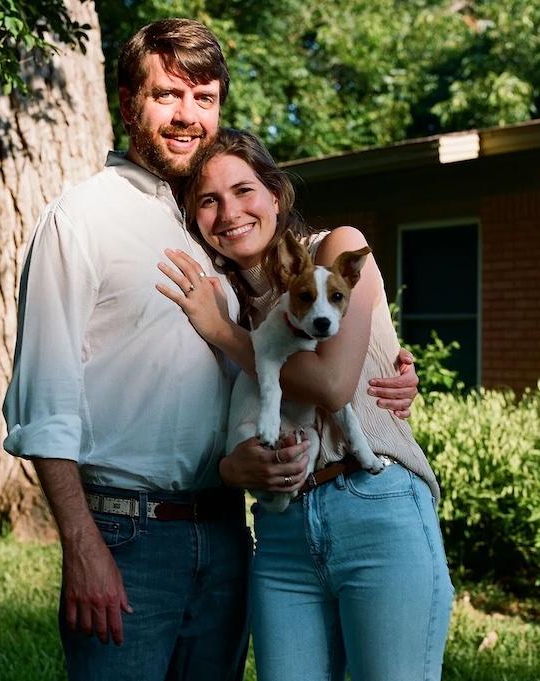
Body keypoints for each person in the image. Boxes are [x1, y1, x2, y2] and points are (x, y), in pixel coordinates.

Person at [3, 18, 420, 681]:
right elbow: (41, 402)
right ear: (126, 102)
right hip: (127, 534)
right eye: (167, 94)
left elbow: (298, 344)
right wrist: (81, 546)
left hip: (231, 534)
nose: (186, 115)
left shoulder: (218, 230)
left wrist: (392, 369)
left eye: (205, 98)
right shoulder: (81, 219)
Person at [157, 128, 453, 681]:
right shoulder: (224, 303)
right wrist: (231, 467)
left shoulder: (337, 248)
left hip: (376, 507)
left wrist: (221, 333)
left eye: (244, 190)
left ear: (275, 193)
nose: (229, 212)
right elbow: (214, 430)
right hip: (283, 532)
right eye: (208, 200)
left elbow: (333, 385)